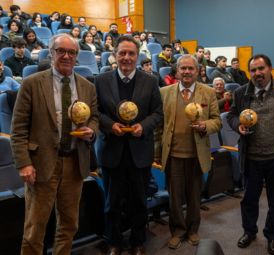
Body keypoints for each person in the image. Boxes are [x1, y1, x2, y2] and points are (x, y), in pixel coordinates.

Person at [10, 33, 99, 255]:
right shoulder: (31, 83)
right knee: (34, 230)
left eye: (71, 52)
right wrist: (23, 163)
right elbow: (18, 127)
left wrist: (92, 131)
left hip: (75, 164)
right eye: (61, 51)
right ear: (51, 53)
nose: (66, 56)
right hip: (41, 164)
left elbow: (95, 118)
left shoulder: (88, 87)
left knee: (69, 226)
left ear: (77, 55)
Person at [95, 35, 163, 255]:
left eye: (131, 53)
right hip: (111, 151)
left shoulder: (151, 81)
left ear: (137, 56)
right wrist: (109, 124)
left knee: (139, 202)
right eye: (122, 53)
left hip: (139, 151)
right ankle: (114, 243)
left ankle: (138, 242)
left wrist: (143, 126)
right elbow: (96, 112)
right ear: (115, 55)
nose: (126, 57)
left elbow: (157, 113)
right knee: (111, 204)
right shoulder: (100, 80)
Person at [227, 54, 274, 255]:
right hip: (251, 158)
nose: (257, 73)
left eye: (261, 68)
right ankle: (249, 231)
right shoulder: (242, 92)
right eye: (253, 70)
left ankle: (272, 235)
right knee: (249, 199)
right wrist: (238, 126)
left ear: (270, 68)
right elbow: (232, 115)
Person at [154, 54, 222, 250]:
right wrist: (157, 152)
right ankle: (177, 231)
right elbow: (159, 127)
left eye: (191, 68)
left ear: (198, 71)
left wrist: (204, 126)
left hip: (196, 154)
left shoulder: (208, 93)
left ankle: (192, 230)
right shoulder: (164, 92)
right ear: (176, 72)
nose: (186, 72)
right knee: (174, 197)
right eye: (182, 68)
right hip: (173, 154)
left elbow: (217, 121)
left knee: (194, 196)